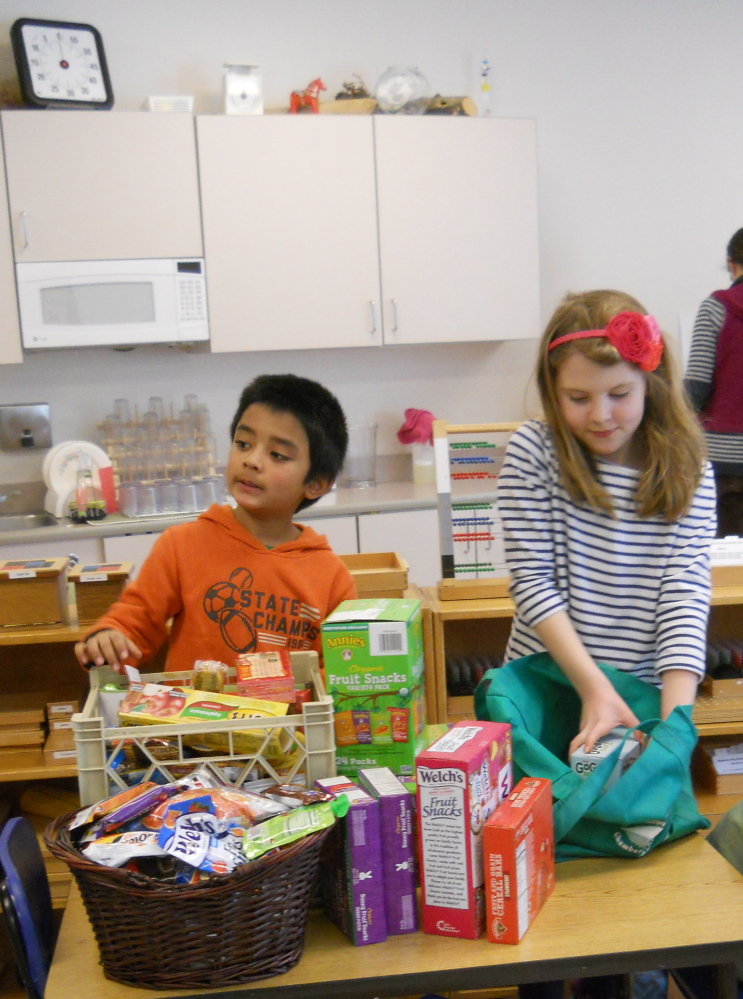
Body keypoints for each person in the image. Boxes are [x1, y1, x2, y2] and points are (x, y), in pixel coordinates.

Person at [496, 290, 716, 999]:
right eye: (577, 397)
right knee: (540, 892)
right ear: (550, 391)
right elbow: (532, 582)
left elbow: (684, 596)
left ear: (649, 379)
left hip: (642, 701)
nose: (599, 415)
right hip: (549, 695)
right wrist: (594, 689)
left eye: (618, 393)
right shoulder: (533, 451)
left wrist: (672, 726)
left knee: (624, 904)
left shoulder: (688, 465)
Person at [75, 374, 357, 672]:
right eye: (243, 443)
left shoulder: (331, 578)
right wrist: (109, 637)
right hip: (196, 718)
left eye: (278, 455)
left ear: (315, 484)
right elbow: (136, 618)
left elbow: (340, 671)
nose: (252, 460)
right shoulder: (182, 546)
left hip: (288, 718)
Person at [685, 227, 743, 537]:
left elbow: (696, 386)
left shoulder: (715, 308)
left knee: (729, 570)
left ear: (731, 263)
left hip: (725, 462)